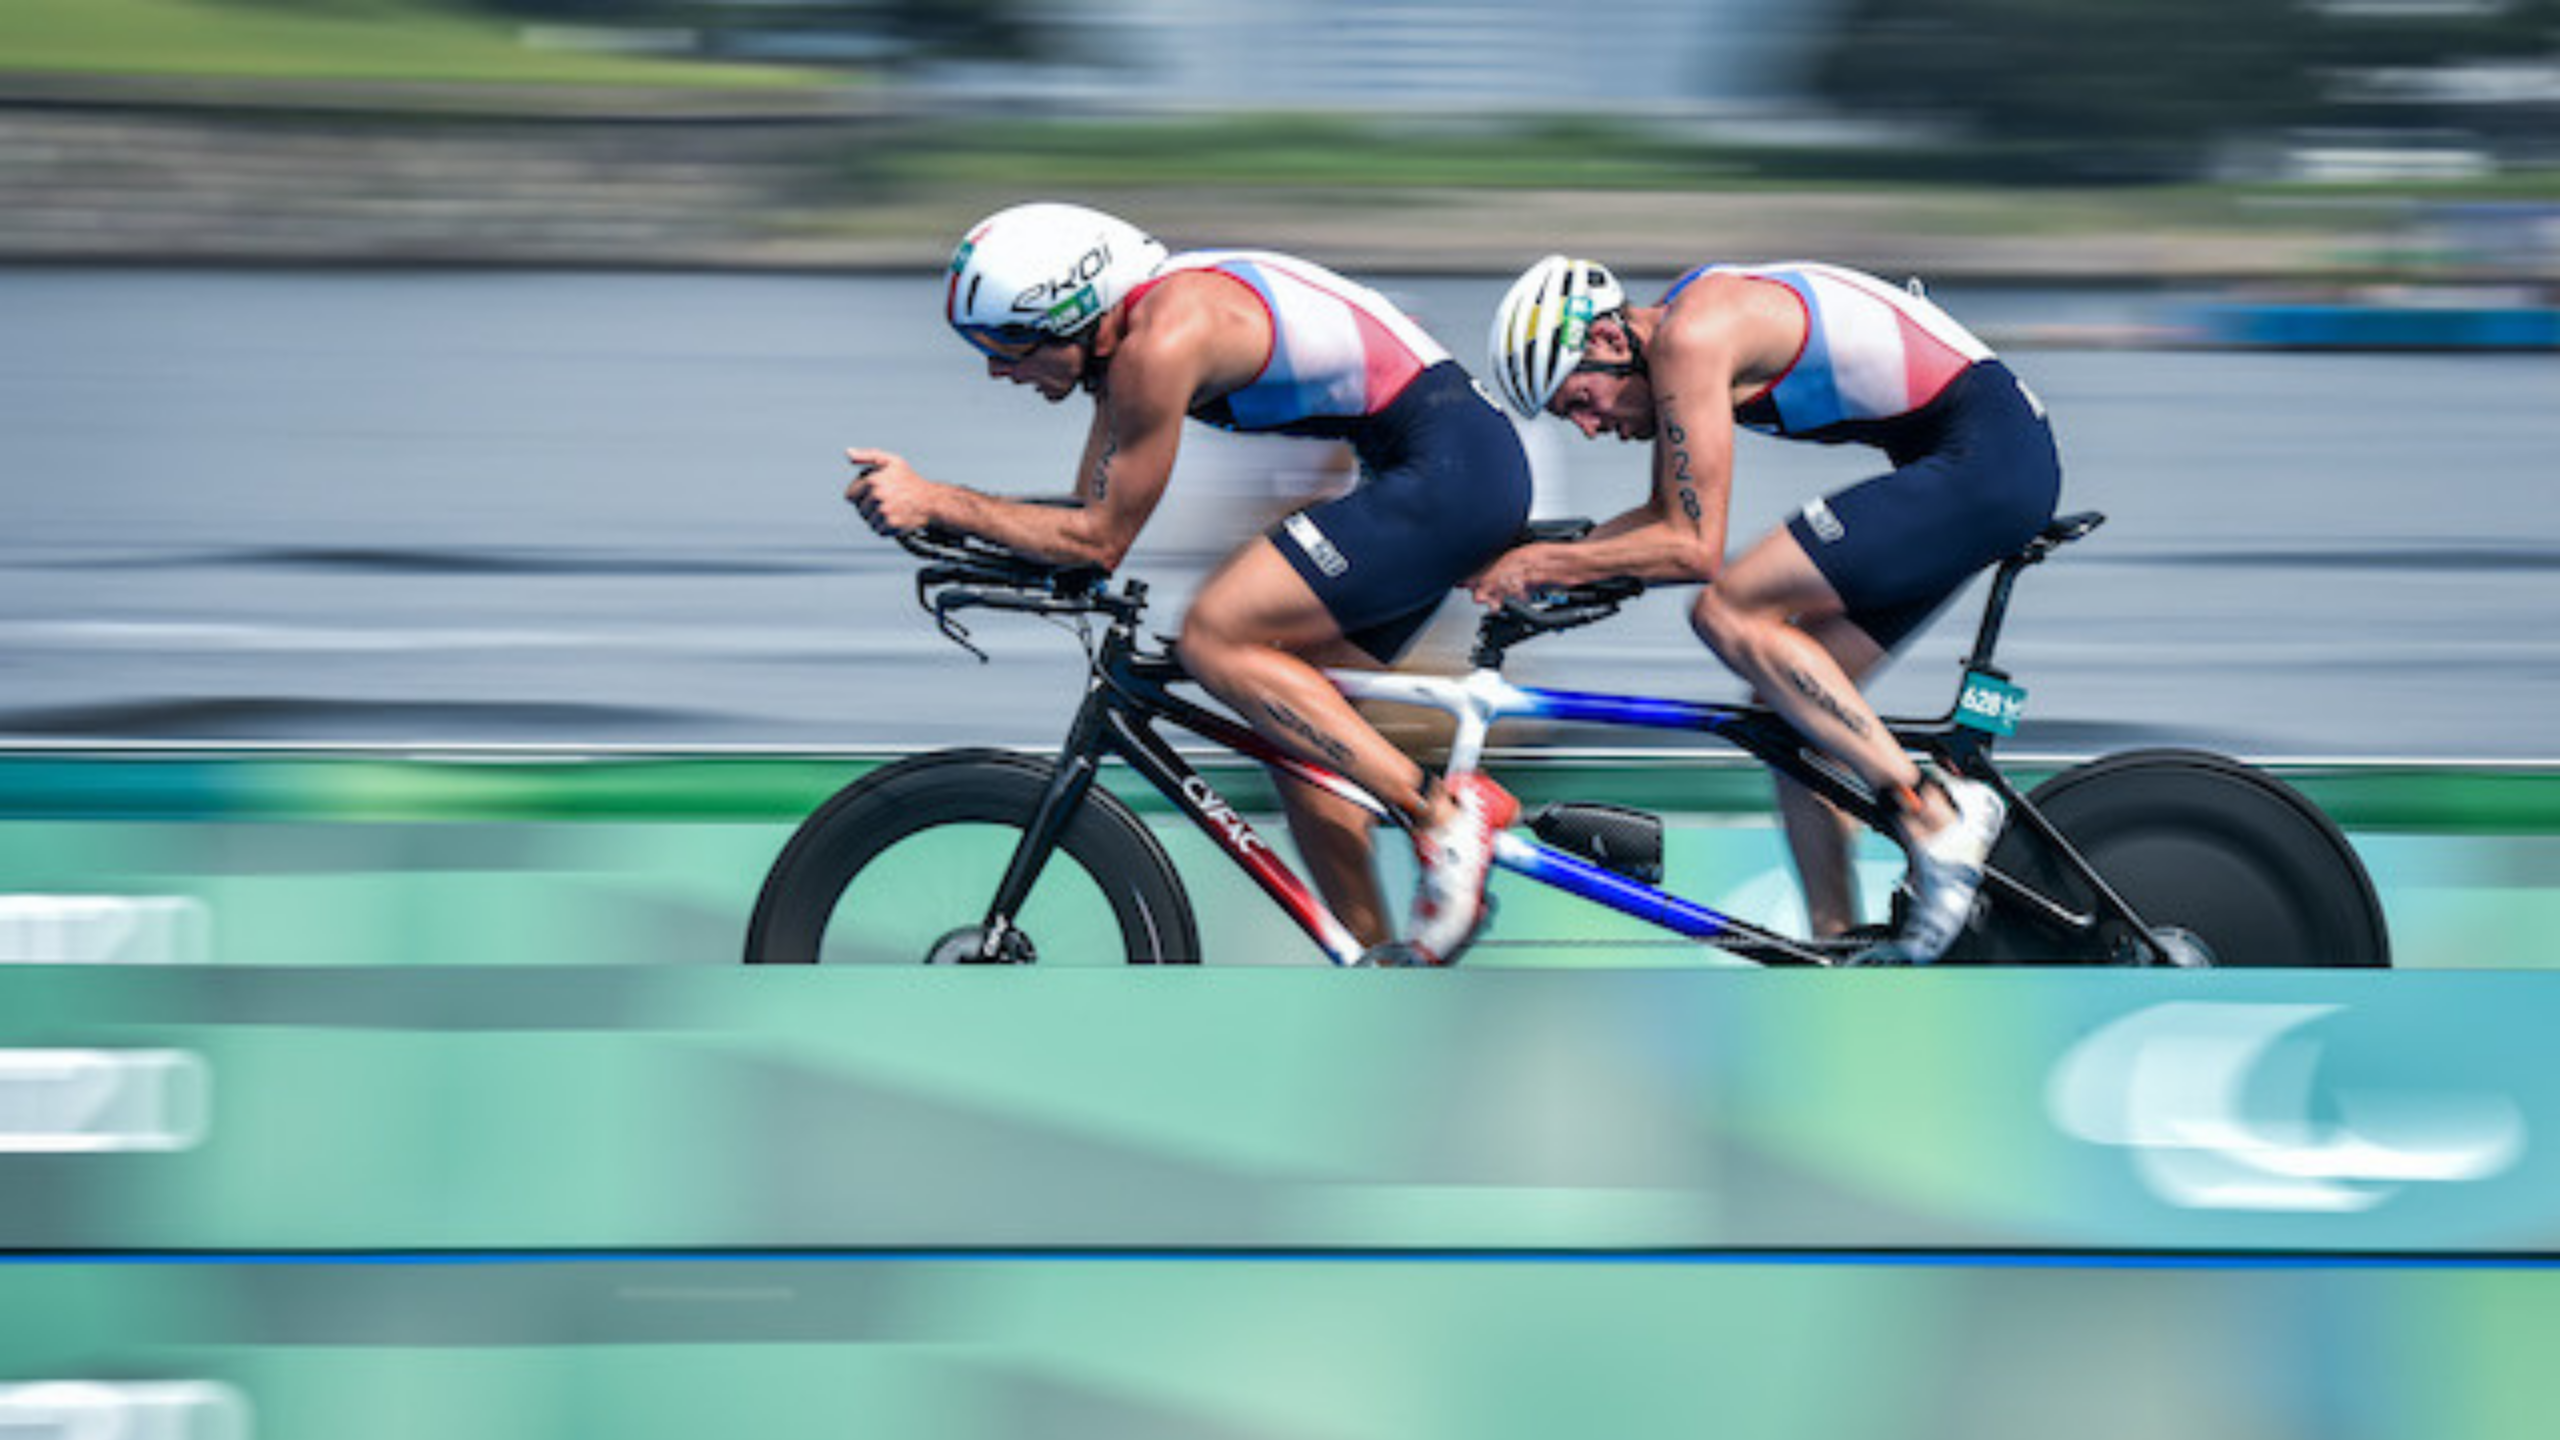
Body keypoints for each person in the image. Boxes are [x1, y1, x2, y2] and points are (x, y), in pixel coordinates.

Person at [846, 202, 1534, 965]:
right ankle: (1384, 964)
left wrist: (938, 497)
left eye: (1007, 343)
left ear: (1073, 316)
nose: (997, 369)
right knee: (1297, 724)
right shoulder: (1126, 345)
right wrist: (945, 529)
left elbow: (1098, 542)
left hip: (1446, 471)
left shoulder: (1160, 342)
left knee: (1215, 637)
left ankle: (1442, 819)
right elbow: (1084, 522)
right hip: (1437, 467)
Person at [1479, 255, 2062, 963]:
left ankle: (1934, 811)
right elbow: (1663, 522)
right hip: (1973, 459)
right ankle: (1837, 947)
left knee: (1727, 613)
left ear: (1605, 341)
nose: (1590, 429)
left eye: (1579, 402)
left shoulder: (1692, 338)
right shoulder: (1674, 339)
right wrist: (1542, 574)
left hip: (1985, 459)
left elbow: (1690, 551)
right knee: (1791, 706)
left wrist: (1542, 565)